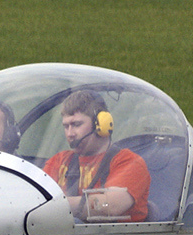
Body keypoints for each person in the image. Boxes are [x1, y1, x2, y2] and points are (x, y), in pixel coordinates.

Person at [43, 90, 150, 222]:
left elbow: (110, 206)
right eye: (66, 126)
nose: (70, 134)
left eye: (77, 125)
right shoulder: (59, 161)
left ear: (101, 124)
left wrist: (51, 205)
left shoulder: (129, 163)